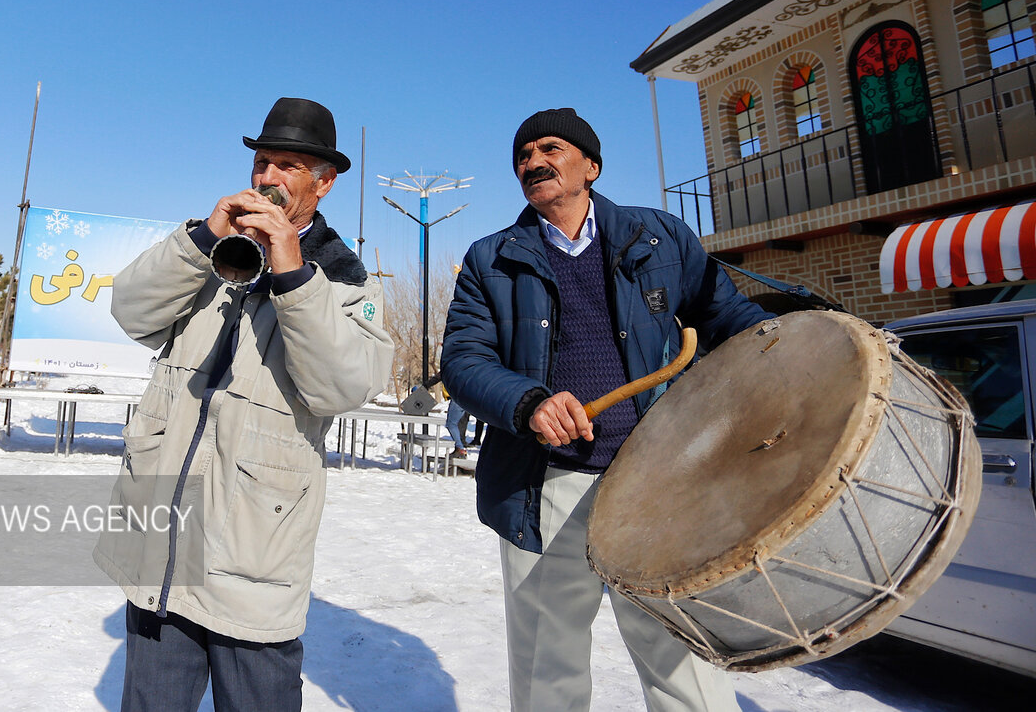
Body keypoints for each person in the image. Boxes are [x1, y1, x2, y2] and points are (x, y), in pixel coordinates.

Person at [441, 108, 774, 712]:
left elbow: (728, 317)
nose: (533, 162)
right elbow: (463, 362)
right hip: (544, 486)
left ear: (591, 166)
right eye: (522, 155)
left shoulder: (660, 238)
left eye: (550, 149)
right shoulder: (490, 259)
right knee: (548, 668)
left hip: (658, 483)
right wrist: (530, 402)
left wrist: (796, 342)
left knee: (681, 660)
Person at [94, 97, 394, 712]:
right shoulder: (210, 251)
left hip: (254, 554)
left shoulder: (345, 278)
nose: (267, 179)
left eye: (287, 165)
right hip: (162, 552)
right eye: (262, 163)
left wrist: (291, 272)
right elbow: (131, 312)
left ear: (324, 182)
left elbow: (340, 387)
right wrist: (204, 239)